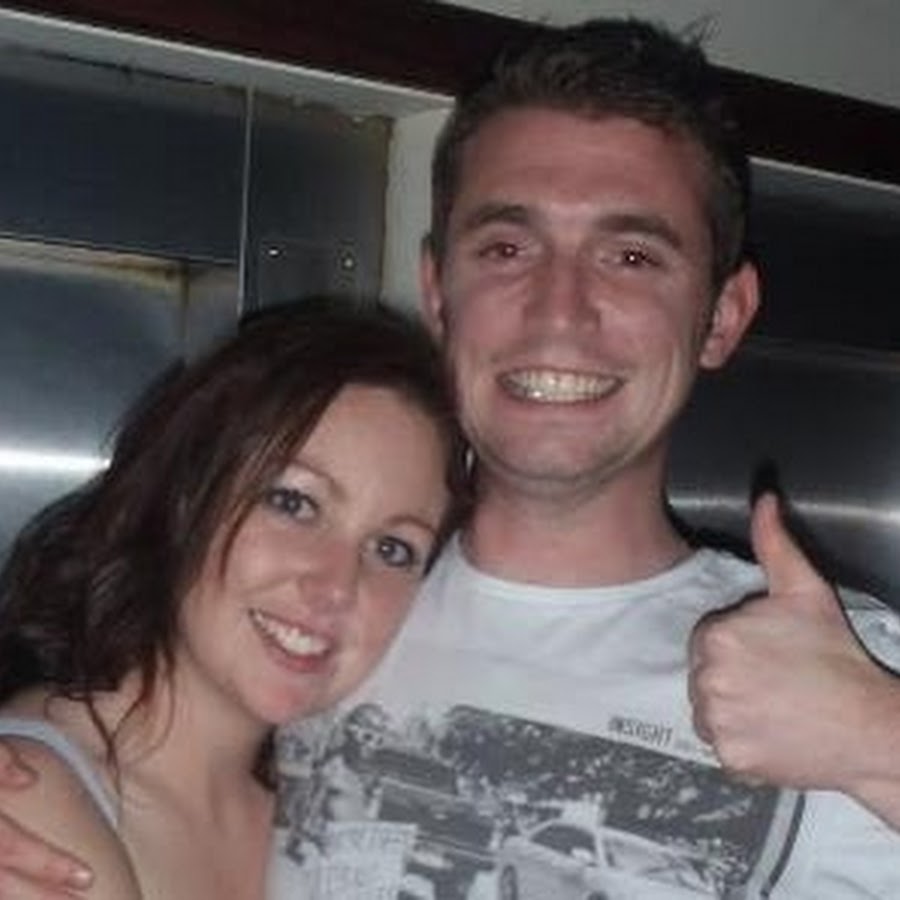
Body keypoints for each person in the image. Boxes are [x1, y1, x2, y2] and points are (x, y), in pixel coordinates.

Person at [3, 15, 900, 900]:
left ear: (723, 315)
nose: (559, 309)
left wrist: (879, 738)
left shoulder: (834, 662)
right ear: (438, 289)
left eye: (631, 256)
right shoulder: (332, 621)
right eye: (507, 248)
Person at [0, 297, 469, 899]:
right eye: (294, 503)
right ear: (184, 496)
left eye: (393, 549)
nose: (335, 585)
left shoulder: (322, 821)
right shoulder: (30, 808)